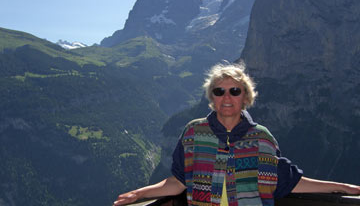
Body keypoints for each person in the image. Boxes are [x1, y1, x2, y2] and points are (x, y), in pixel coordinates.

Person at [113, 62, 360, 206]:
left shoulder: (262, 139)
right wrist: (140, 193)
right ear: (212, 98)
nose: (227, 97)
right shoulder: (193, 133)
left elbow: (290, 180)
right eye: (219, 91)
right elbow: (178, 182)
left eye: (234, 90)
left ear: (246, 96)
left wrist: (343, 187)